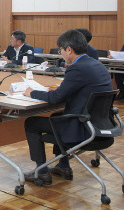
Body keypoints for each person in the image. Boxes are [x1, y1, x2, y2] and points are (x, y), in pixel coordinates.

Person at [23, 29, 113, 185]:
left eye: (61, 50)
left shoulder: (76, 68)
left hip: (83, 129)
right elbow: (83, 89)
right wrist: (60, 90)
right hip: (102, 127)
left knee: (31, 123)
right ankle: (63, 166)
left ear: (69, 50)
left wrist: (32, 92)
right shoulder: (97, 65)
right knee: (56, 118)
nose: (61, 54)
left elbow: (55, 99)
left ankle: (41, 172)